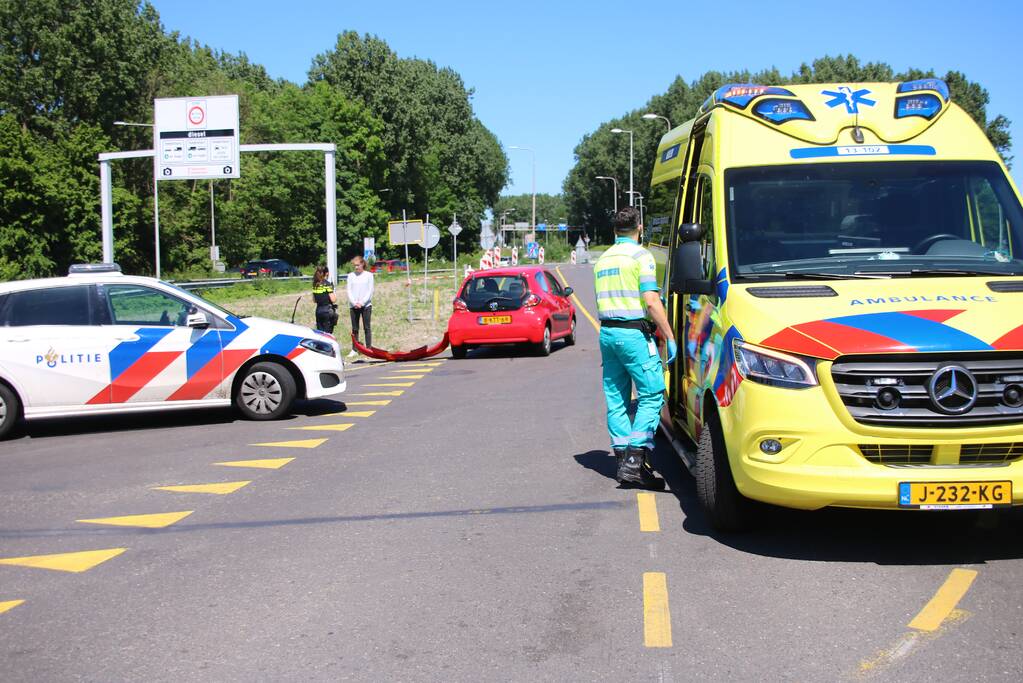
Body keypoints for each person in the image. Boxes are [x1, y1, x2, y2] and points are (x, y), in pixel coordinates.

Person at [594, 207, 677, 489]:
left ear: (614, 230)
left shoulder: (602, 259)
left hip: (607, 333)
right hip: (633, 335)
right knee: (652, 393)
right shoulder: (641, 256)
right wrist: (670, 335)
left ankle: (622, 462)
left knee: (616, 397)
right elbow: (651, 302)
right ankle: (634, 460)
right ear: (639, 227)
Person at [346, 255, 374, 359]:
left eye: (358, 265)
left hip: (366, 305)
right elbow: (349, 291)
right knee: (355, 328)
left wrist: (362, 303)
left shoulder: (369, 275)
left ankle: (368, 349)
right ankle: (354, 349)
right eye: (354, 266)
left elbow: (370, 291)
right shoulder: (350, 276)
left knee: (367, 327)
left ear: (362, 264)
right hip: (353, 306)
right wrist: (354, 303)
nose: (356, 267)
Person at [312, 265, 338, 334]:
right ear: (326, 273)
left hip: (318, 311)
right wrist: (333, 290)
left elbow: (314, 300)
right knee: (327, 335)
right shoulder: (327, 284)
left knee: (320, 333)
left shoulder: (315, 284)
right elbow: (333, 300)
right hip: (327, 311)